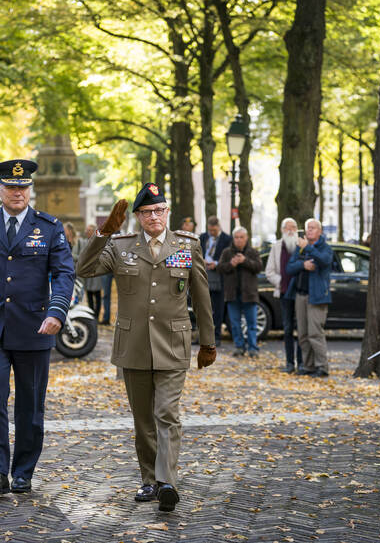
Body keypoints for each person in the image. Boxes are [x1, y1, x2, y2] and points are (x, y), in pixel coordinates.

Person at [76, 182, 216, 512]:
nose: (154, 216)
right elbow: (84, 269)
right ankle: (149, 479)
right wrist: (102, 234)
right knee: (144, 421)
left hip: (173, 343)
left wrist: (207, 342)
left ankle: (167, 482)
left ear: (167, 212)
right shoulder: (120, 246)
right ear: (138, 217)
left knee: (167, 413)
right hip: (134, 345)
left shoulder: (186, 244)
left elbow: (202, 296)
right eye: (147, 212)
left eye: (160, 210)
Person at [0, 159, 74, 496]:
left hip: (35, 328)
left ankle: (23, 471)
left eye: (22, 187)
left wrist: (57, 312)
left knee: (30, 405)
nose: (17, 192)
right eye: (10, 186)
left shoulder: (49, 227)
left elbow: (64, 274)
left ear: (30, 190)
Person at [285, 218, 333, 377]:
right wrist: (302, 265)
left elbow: (325, 261)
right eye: (307, 228)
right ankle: (308, 366)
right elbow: (289, 268)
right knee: (303, 335)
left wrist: (309, 248)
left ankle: (322, 367)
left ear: (320, 231)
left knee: (315, 333)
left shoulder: (324, 247)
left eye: (313, 228)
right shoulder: (300, 249)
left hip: (317, 296)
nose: (309, 231)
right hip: (300, 295)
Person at [217, 227, 263, 357]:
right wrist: (231, 264)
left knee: (252, 324)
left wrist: (245, 261)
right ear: (233, 238)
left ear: (246, 238)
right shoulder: (227, 252)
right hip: (232, 294)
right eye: (236, 237)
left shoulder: (253, 252)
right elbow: (220, 268)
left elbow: (259, 267)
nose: (238, 240)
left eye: (241, 237)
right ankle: (239, 347)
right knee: (235, 324)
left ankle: (253, 348)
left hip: (249, 294)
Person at [265, 217, 303, 373]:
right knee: (287, 329)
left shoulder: (302, 245)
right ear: (282, 230)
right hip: (284, 293)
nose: (290, 230)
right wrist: (281, 282)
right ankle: (289, 363)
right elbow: (269, 271)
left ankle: (301, 363)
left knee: (301, 329)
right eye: (287, 227)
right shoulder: (277, 247)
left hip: (300, 292)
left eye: (293, 227)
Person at [199, 216, 231, 345]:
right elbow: (197, 252)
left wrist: (216, 263)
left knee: (217, 308)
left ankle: (216, 336)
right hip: (203, 274)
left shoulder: (227, 239)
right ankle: (202, 336)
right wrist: (202, 261)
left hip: (219, 276)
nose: (211, 232)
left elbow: (229, 256)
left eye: (214, 230)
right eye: (210, 230)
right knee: (203, 307)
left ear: (219, 227)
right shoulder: (202, 237)